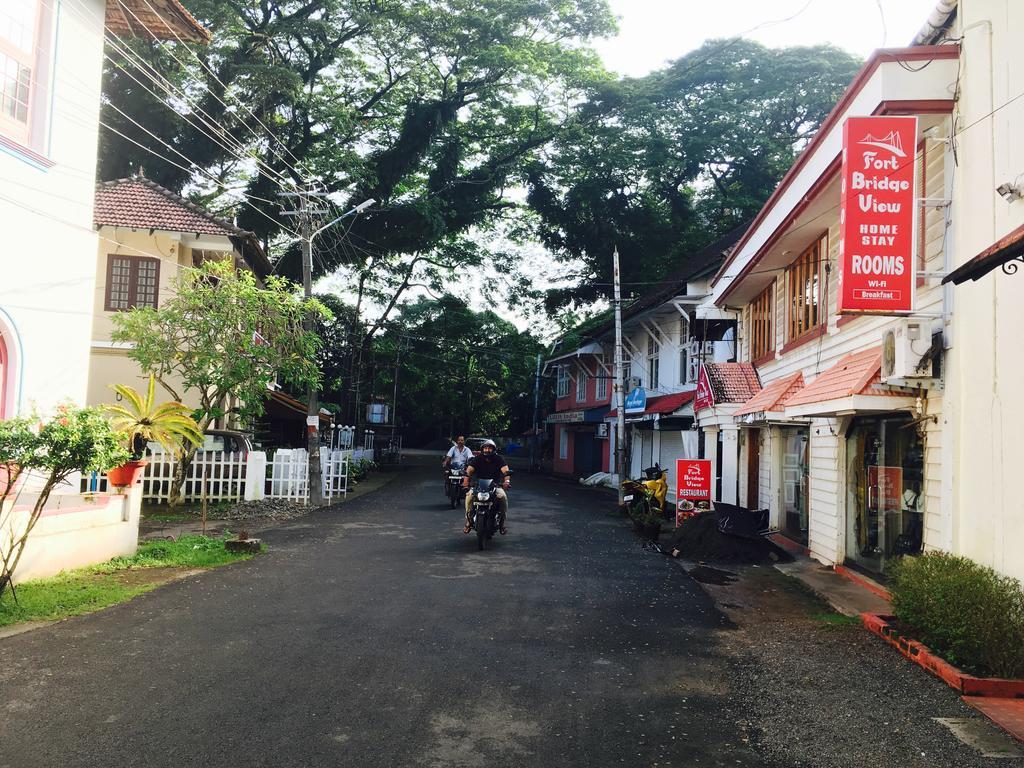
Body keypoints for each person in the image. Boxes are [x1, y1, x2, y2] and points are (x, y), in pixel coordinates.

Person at [462, 439, 510, 534]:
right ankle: (469, 520)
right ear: (482, 449)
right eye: (485, 448)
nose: (487, 450)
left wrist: (507, 481)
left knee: (503, 497)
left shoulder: (498, 459)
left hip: (495, 486)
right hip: (479, 486)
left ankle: (502, 523)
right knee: (469, 497)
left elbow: (506, 471)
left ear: (494, 449)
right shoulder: (478, 458)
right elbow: (469, 471)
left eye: (490, 448)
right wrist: (466, 482)